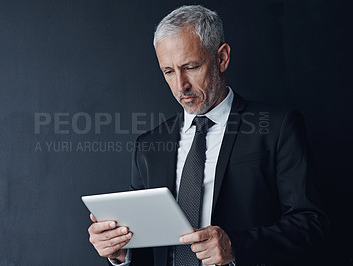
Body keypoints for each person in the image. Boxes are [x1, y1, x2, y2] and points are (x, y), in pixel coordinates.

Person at [88, 5, 328, 266]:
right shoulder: (149, 146)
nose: (181, 86)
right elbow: (150, 248)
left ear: (222, 58)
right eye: (169, 71)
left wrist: (236, 247)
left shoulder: (277, 128)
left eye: (190, 67)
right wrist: (122, 251)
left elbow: (311, 223)